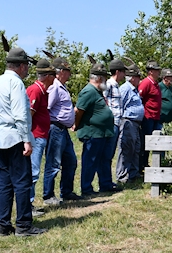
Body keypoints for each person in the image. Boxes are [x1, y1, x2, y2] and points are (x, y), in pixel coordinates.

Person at [0, 46, 45, 237]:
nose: (28, 69)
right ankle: (24, 225)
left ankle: (3, 225)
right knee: (22, 182)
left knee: (3, 184)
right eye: (26, 65)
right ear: (20, 66)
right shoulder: (16, 84)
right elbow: (21, 115)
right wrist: (27, 140)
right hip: (14, 138)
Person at [75, 63, 116, 198]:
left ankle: (106, 184)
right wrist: (76, 125)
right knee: (90, 161)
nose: (106, 80)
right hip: (93, 133)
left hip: (103, 133)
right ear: (98, 78)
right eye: (104, 77)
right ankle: (86, 188)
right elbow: (79, 111)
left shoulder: (98, 92)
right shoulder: (88, 91)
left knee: (104, 159)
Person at [44, 57, 79, 202]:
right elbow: (47, 108)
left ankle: (66, 191)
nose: (69, 74)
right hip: (56, 129)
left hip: (63, 130)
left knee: (70, 160)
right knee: (53, 163)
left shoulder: (61, 87)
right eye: (67, 71)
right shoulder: (55, 88)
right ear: (60, 72)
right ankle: (48, 195)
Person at [26, 58, 56, 212]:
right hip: (35, 137)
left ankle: (29, 204)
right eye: (53, 75)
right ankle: (27, 205)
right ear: (48, 76)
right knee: (33, 171)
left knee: (35, 170)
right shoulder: (35, 90)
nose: (55, 78)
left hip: (41, 136)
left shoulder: (43, 91)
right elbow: (28, 115)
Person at [117, 62, 145, 184]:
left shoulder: (134, 90)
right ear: (132, 77)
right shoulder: (125, 89)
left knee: (135, 149)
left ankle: (133, 173)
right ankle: (122, 176)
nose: (139, 80)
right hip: (128, 122)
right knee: (126, 149)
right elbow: (119, 105)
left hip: (135, 124)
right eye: (138, 77)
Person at [103, 57, 127, 191]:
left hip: (117, 123)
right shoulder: (109, 84)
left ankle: (107, 181)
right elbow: (103, 99)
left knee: (110, 154)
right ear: (118, 72)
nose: (124, 75)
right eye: (123, 72)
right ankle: (106, 183)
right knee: (107, 154)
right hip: (111, 123)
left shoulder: (117, 86)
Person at [138, 61, 163, 173]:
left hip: (155, 117)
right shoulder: (146, 83)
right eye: (157, 70)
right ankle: (141, 164)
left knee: (154, 141)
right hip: (148, 117)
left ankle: (146, 163)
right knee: (145, 142)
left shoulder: (155, 83)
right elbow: (139, 98)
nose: (159, 72)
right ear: (151, 72)